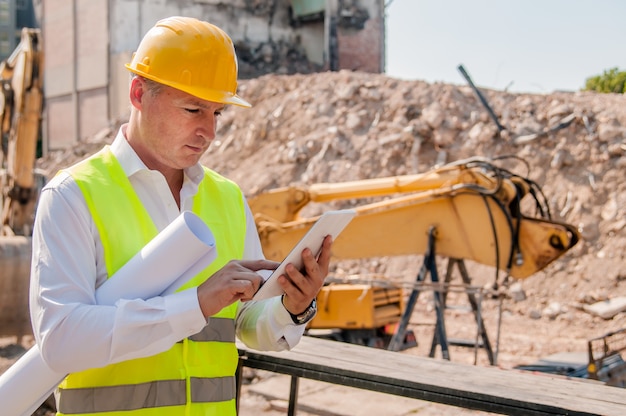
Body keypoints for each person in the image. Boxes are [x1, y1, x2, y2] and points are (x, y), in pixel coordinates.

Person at [29, 16, 330, 415]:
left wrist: (293, 306)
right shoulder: (73, 196)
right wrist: (196, 304)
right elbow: (61, 340)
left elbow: (246, 326)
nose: (208, 130)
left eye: (217, 113)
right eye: (192, 109)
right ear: (138, 93)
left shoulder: (227, 197)